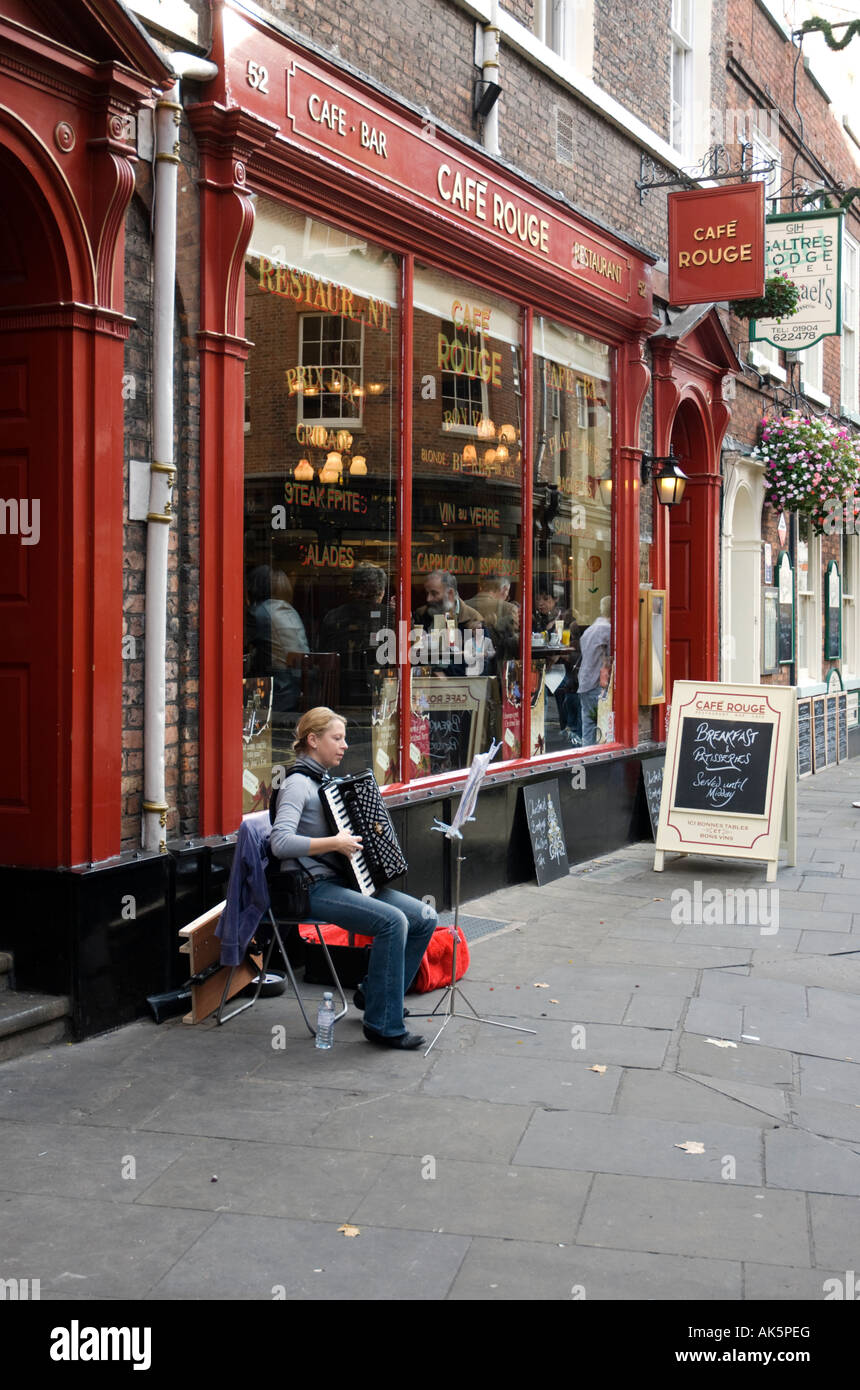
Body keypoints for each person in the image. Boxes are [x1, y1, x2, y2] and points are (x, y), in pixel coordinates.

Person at [270, 707, 437, 1050]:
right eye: (337, 738)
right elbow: (280, 843)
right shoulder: (297, 785)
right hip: (310, 888)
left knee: (423, 917)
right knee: (393, 922)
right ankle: (383, 1025)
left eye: (344, 738)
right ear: (313, 741)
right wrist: (336, 843)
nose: (345, 745)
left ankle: (374, 995)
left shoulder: (328, 784)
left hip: (344, 882)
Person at [318, 565, 389, 705]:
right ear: (381, 592)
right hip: (381, 692)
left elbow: (322, 656)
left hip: (339, 692)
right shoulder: (391, 616)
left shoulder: (333, 616)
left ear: (353, 590)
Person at [247, 565, 309, 712]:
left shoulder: (258, 613)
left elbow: (236, 650)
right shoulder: (290, 611)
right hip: (298, 688)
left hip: (277, 692)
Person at [412, 569, 488, 676]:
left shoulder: (473, 619)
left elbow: (479, 665)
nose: (428, 599)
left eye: (434, 593)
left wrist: (445, 674)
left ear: (450, 594)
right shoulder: (422, 615)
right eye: (427, 593)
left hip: (458, 689)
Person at [578, 595, 612, 747]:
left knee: (588, 726)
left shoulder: (590, 629)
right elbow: (613, 657)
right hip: (598, 683)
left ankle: (586, 760)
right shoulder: (608, 630)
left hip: (584, 681)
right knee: (602, 727)